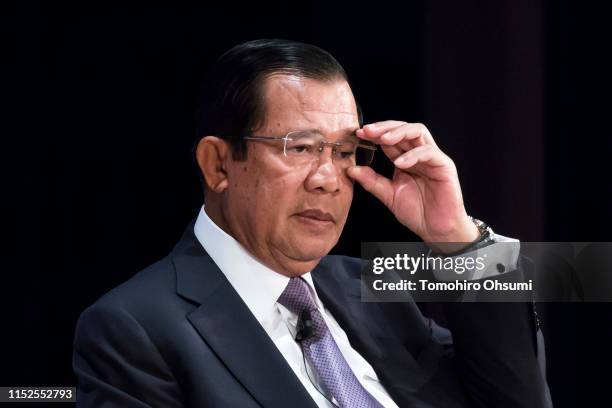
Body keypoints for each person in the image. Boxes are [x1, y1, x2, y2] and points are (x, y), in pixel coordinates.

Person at [73, 39, 552, 407]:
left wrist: (457, 240)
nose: (328, 179)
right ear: (218, 164)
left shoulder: (368, 286)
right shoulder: (135, 330)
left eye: (344, 152)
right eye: (299, 148)